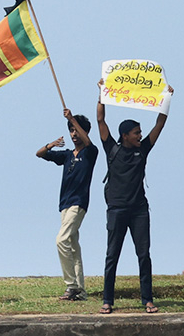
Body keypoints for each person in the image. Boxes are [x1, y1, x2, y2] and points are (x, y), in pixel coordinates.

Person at [96, 79, 173, 314]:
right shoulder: (112, 148)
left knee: (144, 255)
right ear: (125, 135)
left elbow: (160, 123)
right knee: (112, 256)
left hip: (139, 210)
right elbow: (101, 120)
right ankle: (108, 300)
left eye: (140, 132)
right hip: (117, 209)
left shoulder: (143, 149)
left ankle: (147, 300)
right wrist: (101, 94)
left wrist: (167, 98)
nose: (140, 135)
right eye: (136, 133)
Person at [36, 109, 98, 301]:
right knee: (72, 246)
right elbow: (39, 154)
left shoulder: (90, 152)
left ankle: (71, 286)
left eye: (77, 130)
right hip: (64, 204)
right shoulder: (67, 155)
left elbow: (87, 142)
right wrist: (51, 145)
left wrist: (71, 118)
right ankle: (80, 290)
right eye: (71, 130)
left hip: (78, 204)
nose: (74, 134)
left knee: (61, 240)